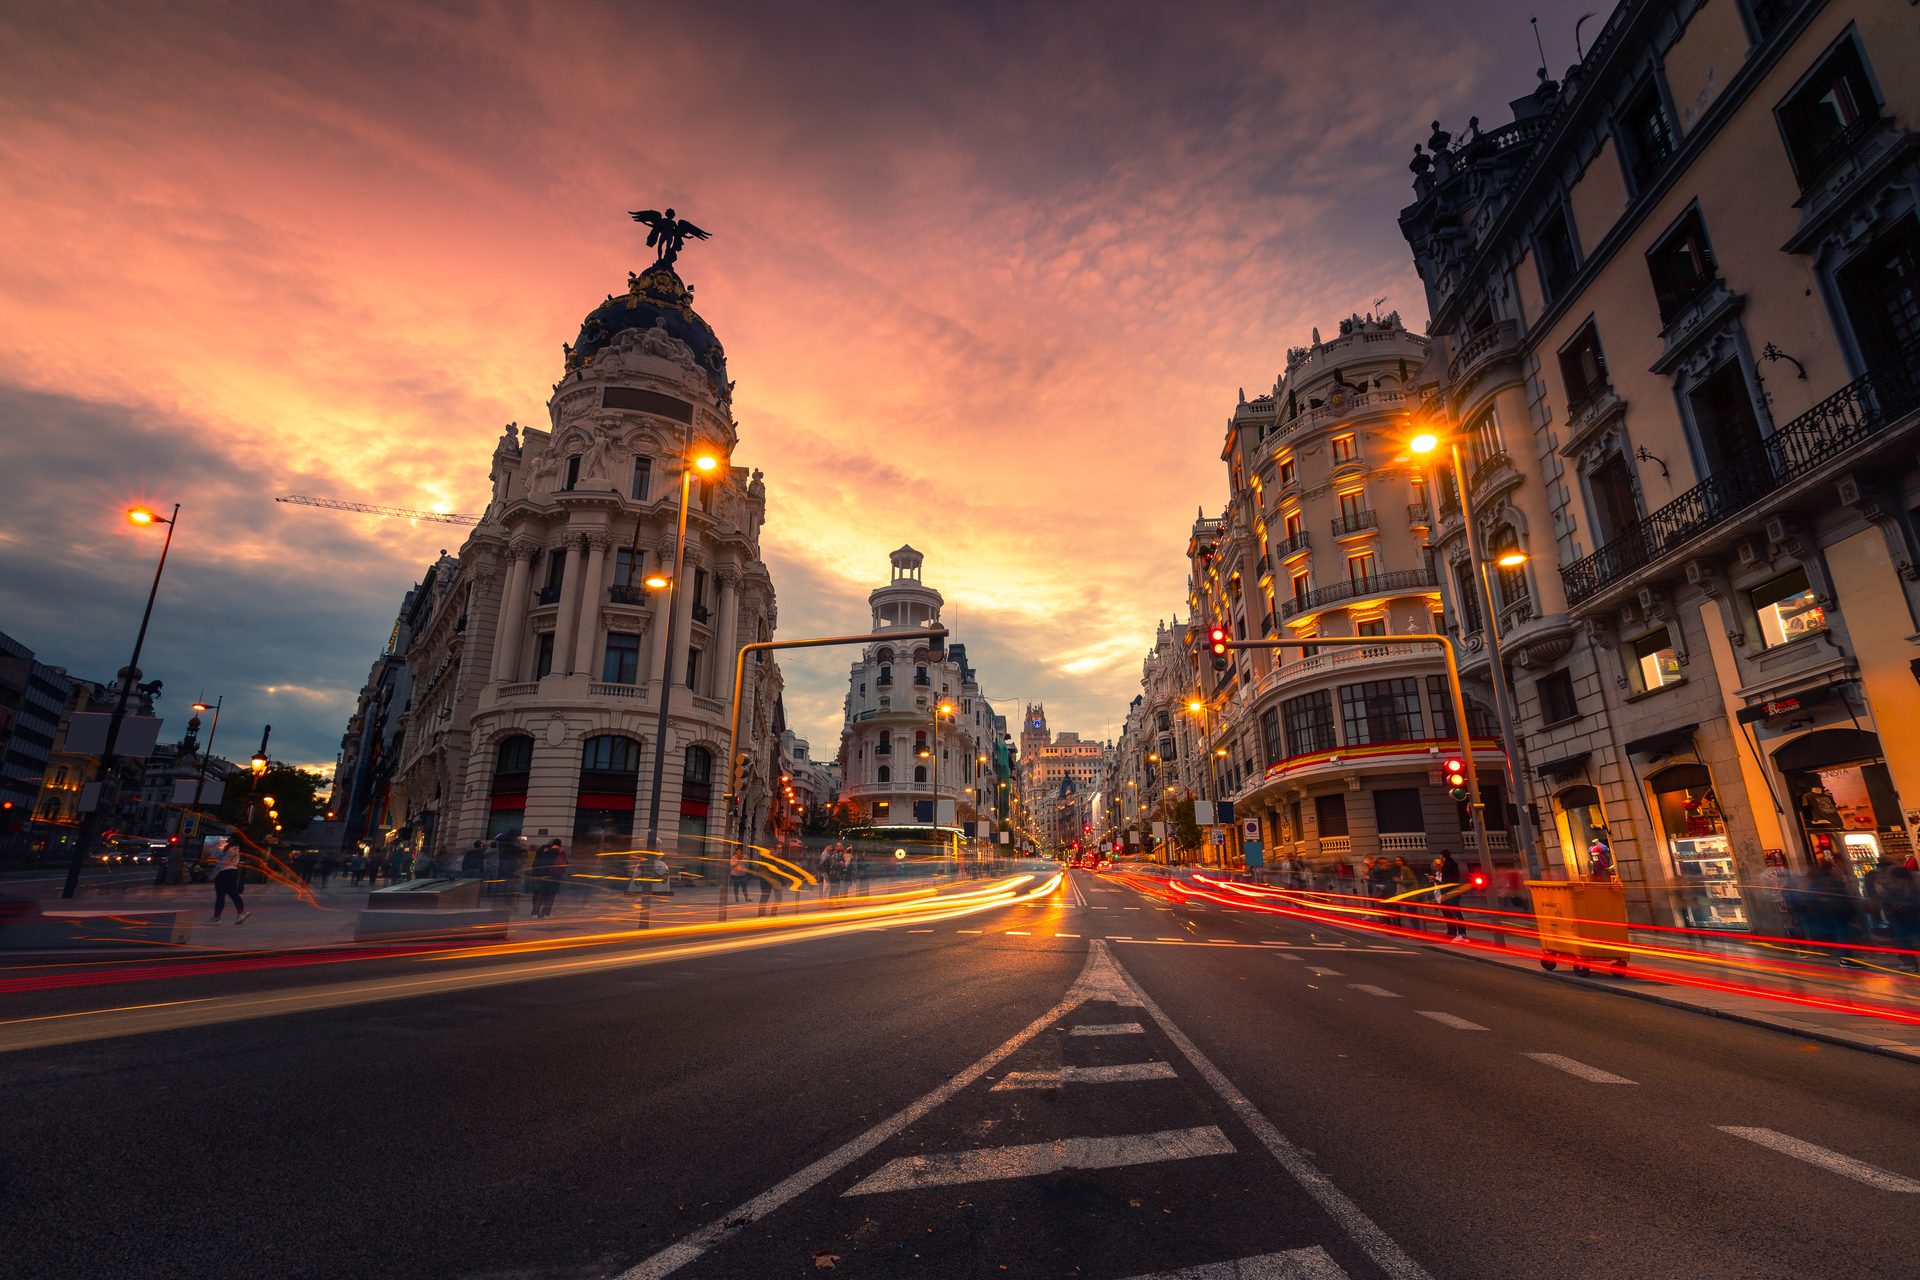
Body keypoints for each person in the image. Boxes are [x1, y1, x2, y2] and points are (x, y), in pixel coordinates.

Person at [1875, 852, 1919, 972]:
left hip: (1894, 911)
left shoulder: (1880, 876)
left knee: (1901, 937)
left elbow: (1881, 893)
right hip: (1912, 907)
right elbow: (1915, 887)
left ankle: (1909, 963)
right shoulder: (1904, 871)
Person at [209, 835, 249, 924]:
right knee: (229, 894)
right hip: (229, 872)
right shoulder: (230, 848)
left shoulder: (232, 849)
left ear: (233, 840)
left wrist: (213, 875)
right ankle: (217, 917)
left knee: (225, 894)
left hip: (225, 872)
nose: (227, 839)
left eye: (230, 838)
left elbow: (221, 861)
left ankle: (218, 917)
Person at [1436, 849, 1466, 940]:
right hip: (1455, 891)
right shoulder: (1453, 864)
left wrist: (1436, 881)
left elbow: (1446, 882)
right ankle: (1461, 933)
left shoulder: (1446, 866)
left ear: (1442, 856)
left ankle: (1461, 934)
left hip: (1450, 892)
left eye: (1441, 856)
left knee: (1456, 914)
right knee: (1456, 913)